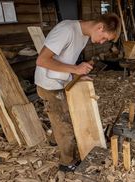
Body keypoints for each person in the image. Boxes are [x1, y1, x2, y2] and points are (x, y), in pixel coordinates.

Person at [34, 13, 121, 172]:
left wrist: (76, 74)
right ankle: (66, 163)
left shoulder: (84, 34)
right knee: (65, 123)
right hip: (49, 84)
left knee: (63, 116)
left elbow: (65, 60)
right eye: (104, 38)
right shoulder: (67, 30)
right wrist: (75, 69)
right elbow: (42, 60)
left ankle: (54, 139)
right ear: (100, 27)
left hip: (61, 80)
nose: (102, 42)